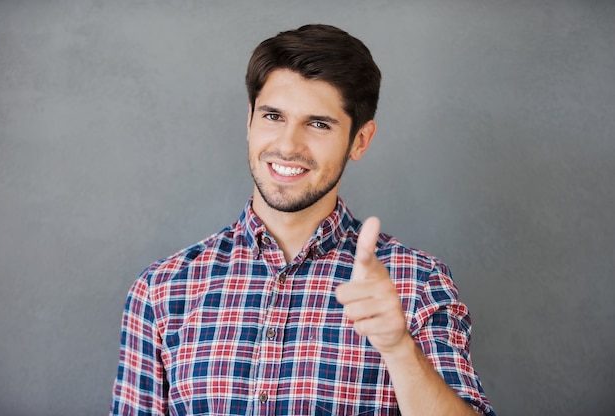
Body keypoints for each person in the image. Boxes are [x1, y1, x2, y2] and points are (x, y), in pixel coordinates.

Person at [110, 24, 495, 415]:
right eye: (273, 116)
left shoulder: (416, 283)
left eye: (318, 124)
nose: (288, 145)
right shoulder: (162, 291)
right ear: (249, 121)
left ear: (360, 140)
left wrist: (398, 348)